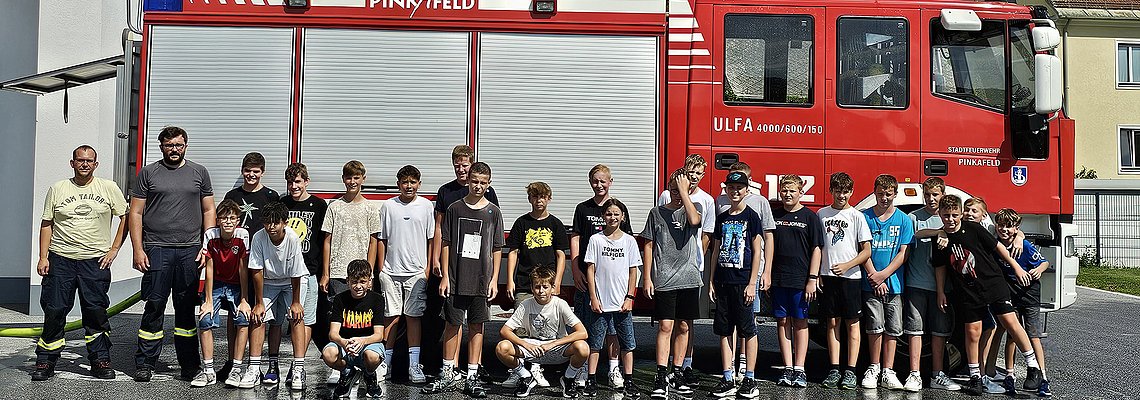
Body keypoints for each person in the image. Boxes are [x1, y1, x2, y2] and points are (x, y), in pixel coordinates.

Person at [32, 145, 128, 381]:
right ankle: (46, 360)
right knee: (54, 310)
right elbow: (47, 224)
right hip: (60, 259)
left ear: (96, 164)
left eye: (89, 160)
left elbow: (126, 217)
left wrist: (114, 249)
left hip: (94, 262)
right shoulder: (58, 188)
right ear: (72, 163)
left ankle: (100, 360)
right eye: (80, 160)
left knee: (95, 312)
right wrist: (43, 256)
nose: (85, 164)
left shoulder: (108, 187)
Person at [932, 195, 1042, 396]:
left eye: (955, 215)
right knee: (972, 332)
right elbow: (940, 267)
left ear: (960, 214)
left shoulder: (974, 228)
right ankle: (976, 377)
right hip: (968, 291)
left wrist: (1016, 267)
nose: (950, 219)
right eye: (946, 215)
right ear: (940, 214)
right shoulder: (940, 240)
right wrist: (940, 292)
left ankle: (1033, 365)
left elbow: (998, 247)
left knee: (1010, 321)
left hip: (993, 284)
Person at [130, 126, 215, 382]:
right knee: (154, 305)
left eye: (178, 145)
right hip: (157, 249)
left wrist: (206, 246)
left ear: (186, 146)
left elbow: (209, 210)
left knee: (185, 308)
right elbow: (135, 212)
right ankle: (145, 363)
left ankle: (189, 364)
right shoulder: (148, 173)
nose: (174, 150)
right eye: (169, 145)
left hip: (190, 251)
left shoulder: (199, 172)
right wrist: (138, 249)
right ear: (161, 147)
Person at [423, 161, 505, 398]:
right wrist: (445, 277)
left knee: (477, 326)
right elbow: (446, 243)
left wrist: (493, 280)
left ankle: (472, 375)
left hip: (481, 279)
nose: (478, 186)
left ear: (489, 184)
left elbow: (497, 248)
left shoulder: (493, 212)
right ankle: (448, 372)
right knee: (452, 324)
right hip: (456, 278)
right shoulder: (455, 208)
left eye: (483, 182)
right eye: (475, 181)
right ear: (468, 181)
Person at [641, 168, 704, 399]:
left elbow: (695, 221)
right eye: (674, 190)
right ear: (668, 189)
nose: (678, 195)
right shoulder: (656, 213)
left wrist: (686, 194)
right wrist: (647, 277)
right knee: (665, 326)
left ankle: (677, 372)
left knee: (684, 326)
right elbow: (648, 245)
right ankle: (661, 374)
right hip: (665, 278)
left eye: (682, 190)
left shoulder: (694, 208)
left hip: (689, 277)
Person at [570, 164, 632, 393]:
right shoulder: (582, 208)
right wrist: (575, 268)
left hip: (614, 284)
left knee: (613, 328)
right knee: (587, 326)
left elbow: (627, 245)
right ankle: (583, 368)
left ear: (610, 182)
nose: (599, 185)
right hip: (588, 278)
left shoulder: (619, 208)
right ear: (590, 182)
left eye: (603, 181)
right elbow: (576, 238)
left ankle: (614, 369)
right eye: (595, 181)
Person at [502, 181, 570, 389]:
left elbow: (561, 255)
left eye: (542, 196)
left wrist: (557, 282)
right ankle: (519, 371)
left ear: (549, 198)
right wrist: (510, 279)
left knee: (545, 327)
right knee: (521, 329)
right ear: (529, 199)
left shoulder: (555, 224)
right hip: (525, 284)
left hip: (548, 285)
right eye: (535, 196)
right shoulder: (522, 223)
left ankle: (537, 368)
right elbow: (513, 252)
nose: (539, 200)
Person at [656, 155, 716, 386]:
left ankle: (685, 364)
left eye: (699, 172)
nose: (694, 176)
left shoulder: (706, 200)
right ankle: (667, 366)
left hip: (691, 268)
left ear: (704, 174)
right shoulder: (667, 194)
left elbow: (706, 234)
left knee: (686, 321)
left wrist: (694, 258)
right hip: (667, 269)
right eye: (691, 171)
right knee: (667, 322)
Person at [320, 160, 381, 384]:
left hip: (361, 275)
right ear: (343, 179)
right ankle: (342, 366)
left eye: (356, 177)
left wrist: (370, 272)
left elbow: (374, 242)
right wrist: (326, 273)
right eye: (348, 177)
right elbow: (327, 241)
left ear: (363, 179)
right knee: (339, 318)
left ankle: (362, 361)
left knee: (360, 317)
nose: (352, 181)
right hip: (338, 271)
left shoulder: (370, 208)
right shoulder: (334, 207)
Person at [713, 162, 774, 382]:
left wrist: (752, 282)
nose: (735, 191)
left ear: (747, 189)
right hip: (724, 281)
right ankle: (727, 376)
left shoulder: (752, 215)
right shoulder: (722, 216)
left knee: (748, 329)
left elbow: (758, 250)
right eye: (731, 187)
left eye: (739, 187)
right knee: (725, 330)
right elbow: (716, 250)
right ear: (726, 189)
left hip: (744, 280)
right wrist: (711, 281)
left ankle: (749, 376)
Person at [375, 165, 435, 384]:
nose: (409, 186)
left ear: (419, 183)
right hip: (391, 272)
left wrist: (427, 269)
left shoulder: (426, 206)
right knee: (391, 318)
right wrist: (381, 269)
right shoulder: (389, 206)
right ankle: (385, 364)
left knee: (413, 317)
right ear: (398, 184)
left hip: (416, 273)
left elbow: (431, 239)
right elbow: (382, 238)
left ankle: (414, 366)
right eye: (405, 182)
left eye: (413, 182)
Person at [496, 267, 591, 398]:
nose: (541, 291)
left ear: (552, 288)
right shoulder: (525, 304)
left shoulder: (560, 304)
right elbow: (504, 330)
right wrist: (526, 344)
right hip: (533, 347)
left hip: (556, 348)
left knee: (583, 347)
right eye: (537, 287)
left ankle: (568, 378)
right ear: (531, 288)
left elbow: (582, 333)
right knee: (502, 347)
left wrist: (553, 344)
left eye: (545, 287)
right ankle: (526, 377)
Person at [815, 172, 871, 390]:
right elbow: (818, 247)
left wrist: (848, 265)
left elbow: (866, 251)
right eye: (838, 191)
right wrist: (817, 273)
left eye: (846, 191)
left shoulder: (857, 216)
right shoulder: (822, 214)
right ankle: (834, 369)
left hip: (851, 278)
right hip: (828, 278)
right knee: (832, 323)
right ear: (831, 191)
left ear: (851, 192)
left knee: (852, 323)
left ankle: (851, 370)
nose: (841, 195)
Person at [904, 177, 961, 391]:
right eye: (927, 194)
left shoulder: (950, 218)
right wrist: (939, 232)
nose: (931, 198)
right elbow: (915, 234)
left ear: (943, 194)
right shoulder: (914, 217)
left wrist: (1019, 234)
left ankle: (938, 375)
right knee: (915, 330)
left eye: (935, 194)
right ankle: (914, 374)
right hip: (916, 283)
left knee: (939, 332)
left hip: (943, 288)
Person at [768, 174, 824, 388]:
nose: (788, 194)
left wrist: (812, 278)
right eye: (784, 190)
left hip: (801, 279)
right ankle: (787, 367)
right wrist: (767, 275)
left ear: (801, 192)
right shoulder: (774, 215)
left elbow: (816, 249)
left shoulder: (810, 217)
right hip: (778, 278)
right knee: (782, 321)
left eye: (792, 190)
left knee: (800, 322)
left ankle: (800, 368)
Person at [860, 174, 915, 391]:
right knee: (874, 326)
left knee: (893, 328)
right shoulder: (864, 217)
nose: (884, 198)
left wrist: (884, 275)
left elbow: (904, 253)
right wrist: (874, 275)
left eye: (888, 194)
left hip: (894, 284)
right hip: (871, 282)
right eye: (880, 193)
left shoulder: (903, 220)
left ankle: (888, 371)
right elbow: (862, 249)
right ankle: (873, 367)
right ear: (874, 193)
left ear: (895, 194)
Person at [246, 202, 309, 391]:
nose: (271, 227)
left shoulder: (292, 238)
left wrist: (296, 302)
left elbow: (296, 272)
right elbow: (256, 270)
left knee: (296, 317)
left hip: (292, 281)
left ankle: (299, 369)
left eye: (275, 222)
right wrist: (259, 303)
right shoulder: (258, 237)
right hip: (269, 280)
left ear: (285, 223)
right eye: (267, 222)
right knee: (258, 317)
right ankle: (255, 368)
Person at [583, 198, 642, 398]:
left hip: (622, 304)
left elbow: (633, 272)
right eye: (608, 213)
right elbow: (590, 270)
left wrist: (630, 297)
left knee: (627, 344)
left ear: (623, 217)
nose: (612, 217)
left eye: (616, 214)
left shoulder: (629, 241)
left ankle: (629, 380)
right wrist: (593, 297)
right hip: (601, 303)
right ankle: (591, 380)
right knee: (595, 343)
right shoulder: (596, 240)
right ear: (603, 216)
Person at [992, 208, 1052, 397]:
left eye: (1008, 226)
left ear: (1016, 228)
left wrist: (1039, 270)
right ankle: (1009, 375)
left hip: (1030, 295)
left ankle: (1043, 377)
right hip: (1011, 296)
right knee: (1012, 335)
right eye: (1000, 225)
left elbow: (1044, 262)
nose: (1004, 229)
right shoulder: (995, 244)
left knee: (1033, 335)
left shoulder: (1024, 245)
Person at [193, 200, 252, 388]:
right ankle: (208, 370)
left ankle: (237, 368)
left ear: (238, 220)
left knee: (243, 318)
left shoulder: (243, 235)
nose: (228, 222)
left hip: (236, 284)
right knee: (205, 319)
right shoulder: (210, 235)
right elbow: (209, 269)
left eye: (232, 218)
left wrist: (244, 299)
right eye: (224, 218)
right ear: (218, 220)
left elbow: (243, 268)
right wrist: (208, 300)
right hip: (217, 283)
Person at [280, 162, 328, 370]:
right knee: (289, 320)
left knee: (306, 319)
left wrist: (324, 273)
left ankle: (297, 364)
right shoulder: (282, 204)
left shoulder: (319, 205)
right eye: (290, 182)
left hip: (310, 271)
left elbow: (325, 241)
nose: (294, 186)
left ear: (307, 181)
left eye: (298, 181)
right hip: (284, 272)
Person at [323, 259, 386, 399]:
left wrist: (362, 341)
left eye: (363, 282)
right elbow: (333, 334)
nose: (358, 286)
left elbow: (379, 335)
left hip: (369, 344)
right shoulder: (340, 299)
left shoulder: (377, 299)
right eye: (354, 282)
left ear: (370, 282)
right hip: (345, 344)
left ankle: (370, 376)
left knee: (372, 356)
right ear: (347, 281)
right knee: (328, 354)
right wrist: (344, 342)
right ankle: (347, 373)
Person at [224, 152, 280, 234]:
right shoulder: (231, 196)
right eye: (247, 170)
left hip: (263, 241)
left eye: (256, 171)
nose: (251, 174)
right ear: (242, 171)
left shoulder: (271, 196)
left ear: (262, 172)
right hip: (237, 241)